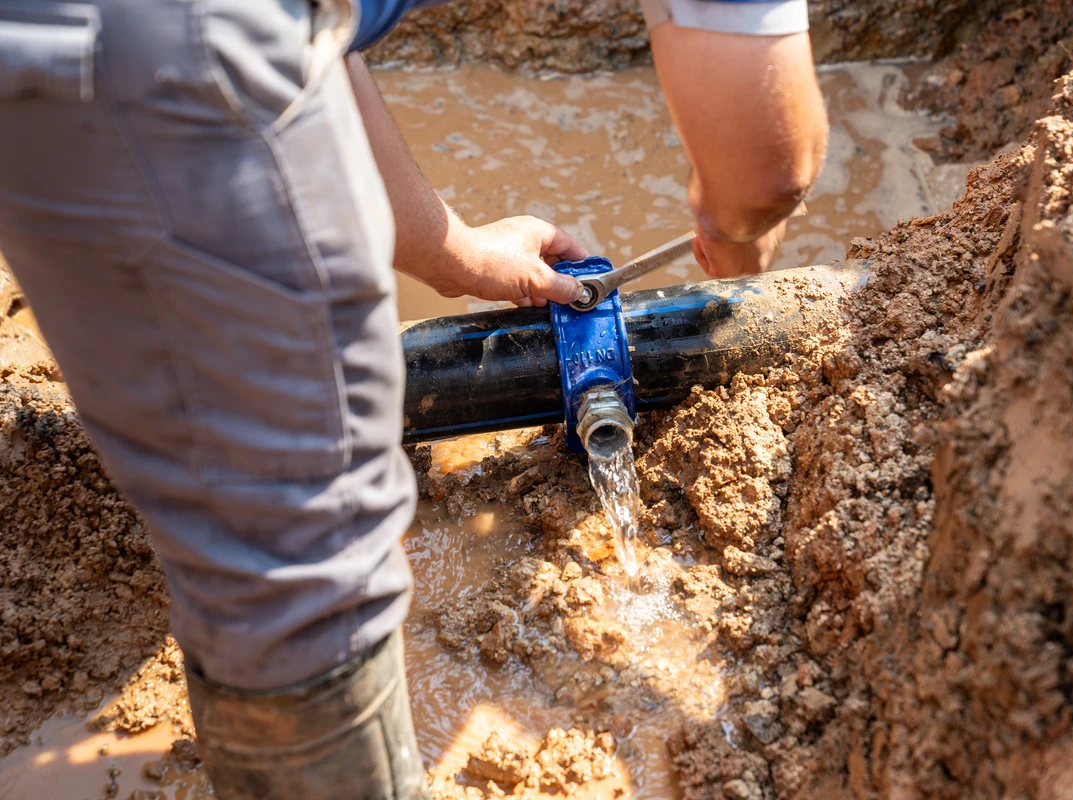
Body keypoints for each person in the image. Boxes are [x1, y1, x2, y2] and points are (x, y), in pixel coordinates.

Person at [0, 0, 826, 797]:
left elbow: (313, 28)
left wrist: (449, 250)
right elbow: (768, 169)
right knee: (301, 539)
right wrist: (739, 240)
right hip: (126, 48)